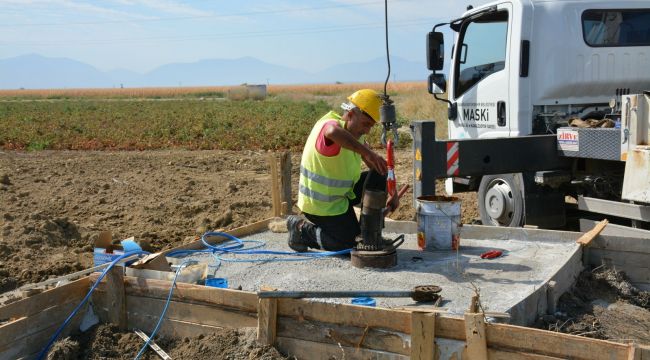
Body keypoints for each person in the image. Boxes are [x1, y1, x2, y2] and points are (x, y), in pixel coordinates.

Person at [287, 89, 398, 252]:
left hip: (341, 197)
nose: (367, 130)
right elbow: (332, 132)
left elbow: (377, 167)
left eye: (371, 126)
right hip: (320, 205)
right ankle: (301, 229)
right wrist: (367, 152)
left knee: (379, 174)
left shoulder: (355, 136)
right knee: (348, 245)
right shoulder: (330, 125)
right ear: (351, 113)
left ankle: (371, 235)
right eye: (365, 124)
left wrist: (392, 192)